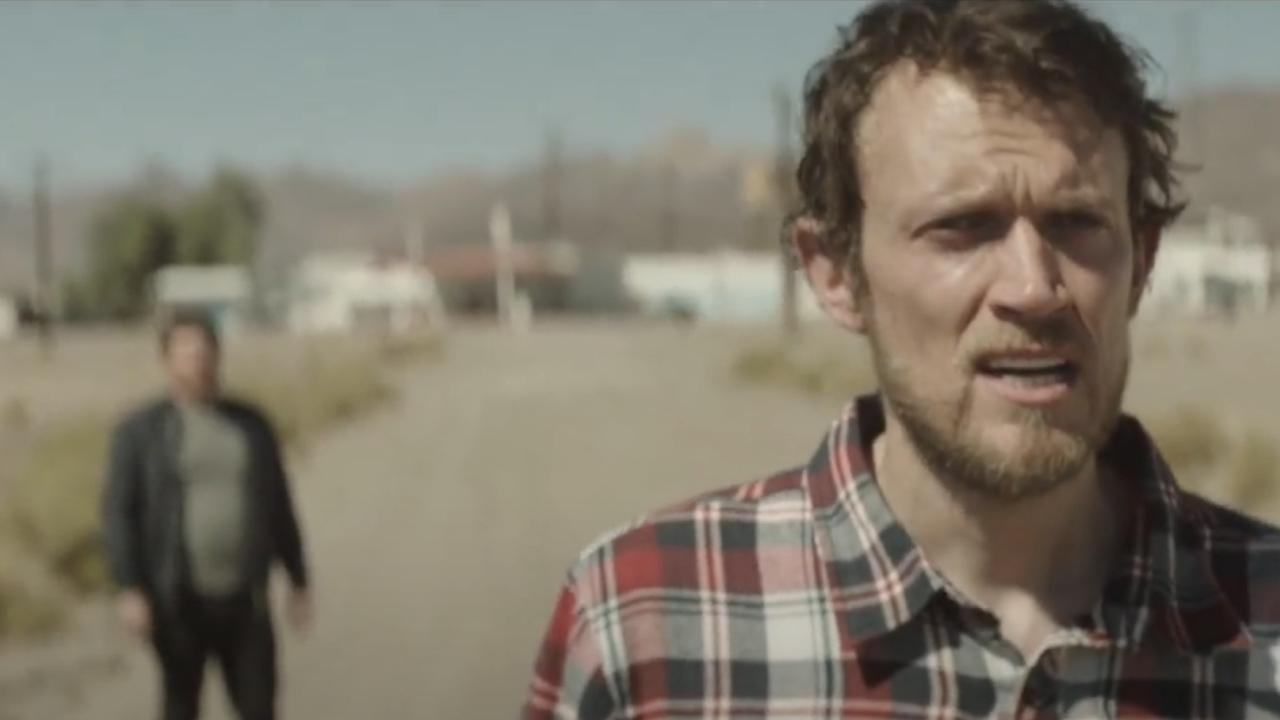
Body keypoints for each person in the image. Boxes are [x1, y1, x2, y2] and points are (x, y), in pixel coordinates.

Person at [521, 1, 1280, 718]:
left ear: (1141, 263)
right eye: (963, 226)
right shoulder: (649, 629)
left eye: (1077, 223)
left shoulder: (1262, 612)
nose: (1034, 287)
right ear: (835, 274)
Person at [102, 308, 312, 720]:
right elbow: (118, 513)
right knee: (181, 707)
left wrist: (299, 579)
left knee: (259, 708)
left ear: (218, 356)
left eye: (205, 351)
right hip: (178, 601)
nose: (198, 360)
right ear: (166, 361)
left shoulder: (251, 425)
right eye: (186, 352)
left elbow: (279, 504)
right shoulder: (140, 432)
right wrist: (129, 587)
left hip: (245, 600)